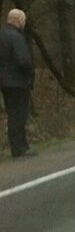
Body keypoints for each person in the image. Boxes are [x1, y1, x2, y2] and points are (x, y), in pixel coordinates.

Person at [0, 9, 35, 158]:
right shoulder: (17, 37)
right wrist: (30, 74)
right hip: (17, 81)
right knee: (19, 114)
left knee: (12, 113)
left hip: (3, 82)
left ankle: (19, 146)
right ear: (19, 21)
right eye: (23, 21)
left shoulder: (1, 35)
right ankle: (19, 148)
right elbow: (23, 60)